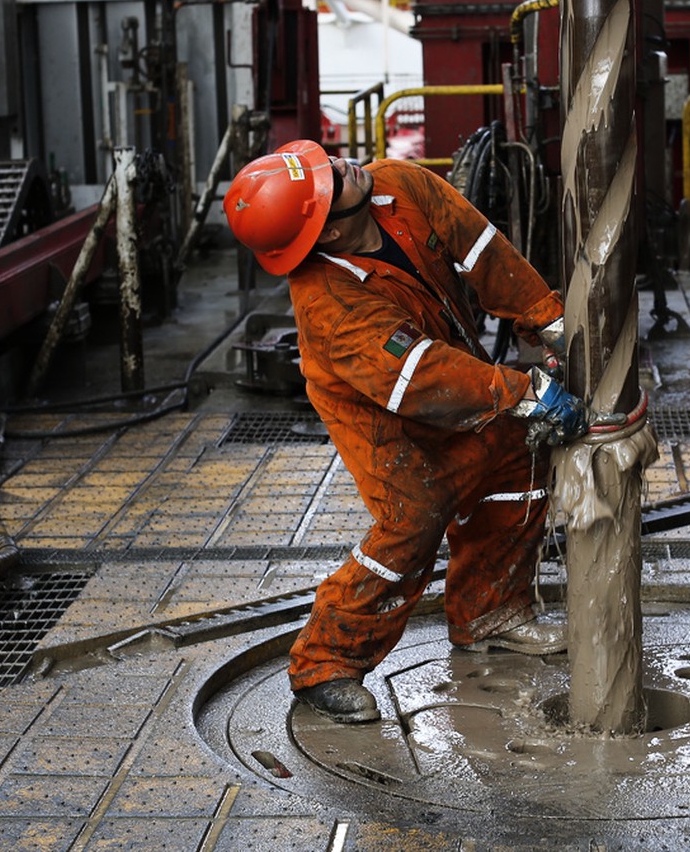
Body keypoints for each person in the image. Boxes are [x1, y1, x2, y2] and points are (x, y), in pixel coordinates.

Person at [223, 140, 607, 723]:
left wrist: (547, 318)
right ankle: (326, 663)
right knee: (414, 518)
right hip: (378, 416)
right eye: (328, 180)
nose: (341, 164)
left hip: (449, 371)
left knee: (515, 455)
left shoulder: (401, 184)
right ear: (325, 233)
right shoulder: (330, 302)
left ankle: (490, 613)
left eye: (326, 162)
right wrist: (522, 392)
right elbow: (416, 374)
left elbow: (482, 249)